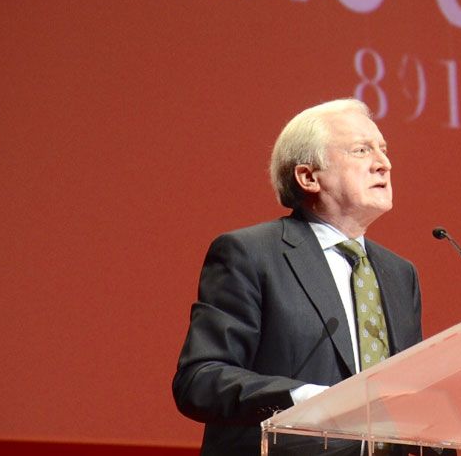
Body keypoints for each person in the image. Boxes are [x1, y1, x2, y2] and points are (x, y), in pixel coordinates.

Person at [173, 98, 423, 456]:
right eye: (361, 150)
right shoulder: (251, 254)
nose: (384, 164)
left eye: (383, 150)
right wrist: (303, 400)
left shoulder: (400, 273)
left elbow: (408, 394)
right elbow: (200, 379)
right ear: (308, 177)